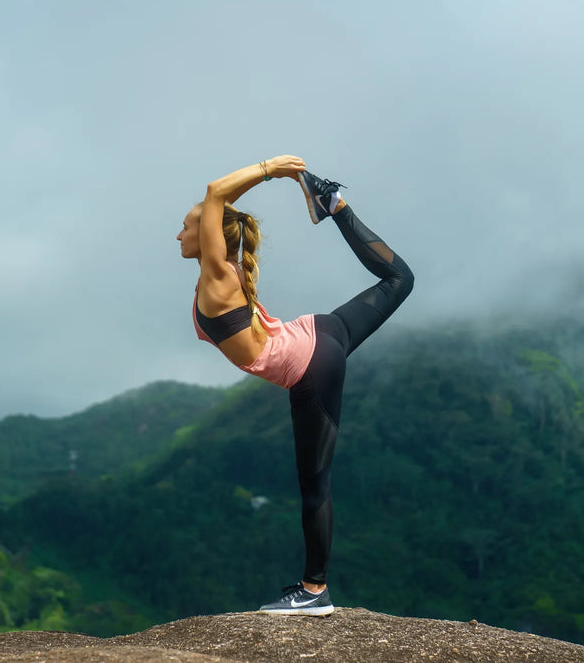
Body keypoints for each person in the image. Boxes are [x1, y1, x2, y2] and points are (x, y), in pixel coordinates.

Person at [177, 155, 414, 616]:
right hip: (320, 332)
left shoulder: (218, 274)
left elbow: (214, 193)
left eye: (187, 227)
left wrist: (273, 168)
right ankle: (335, 204)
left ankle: (314, 590)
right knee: (399, 279)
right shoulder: (227, 273)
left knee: (315, 487)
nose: (180, 234)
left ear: (208, 236)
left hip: (311, 366)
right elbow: (215, 202)